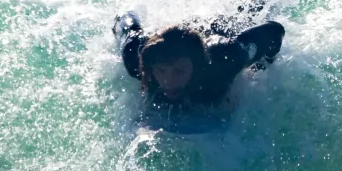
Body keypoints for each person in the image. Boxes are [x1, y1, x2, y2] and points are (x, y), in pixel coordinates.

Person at [113, 10, 284, 112]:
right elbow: (125, 20)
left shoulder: (225, 59)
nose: (168, 82)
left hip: (218, 31)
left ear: (197, 68)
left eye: (179, 72)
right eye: (161, 71)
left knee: (250, 9)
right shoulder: (138, 58)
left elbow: (274, 31)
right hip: (172, 40)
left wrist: (258, 69)